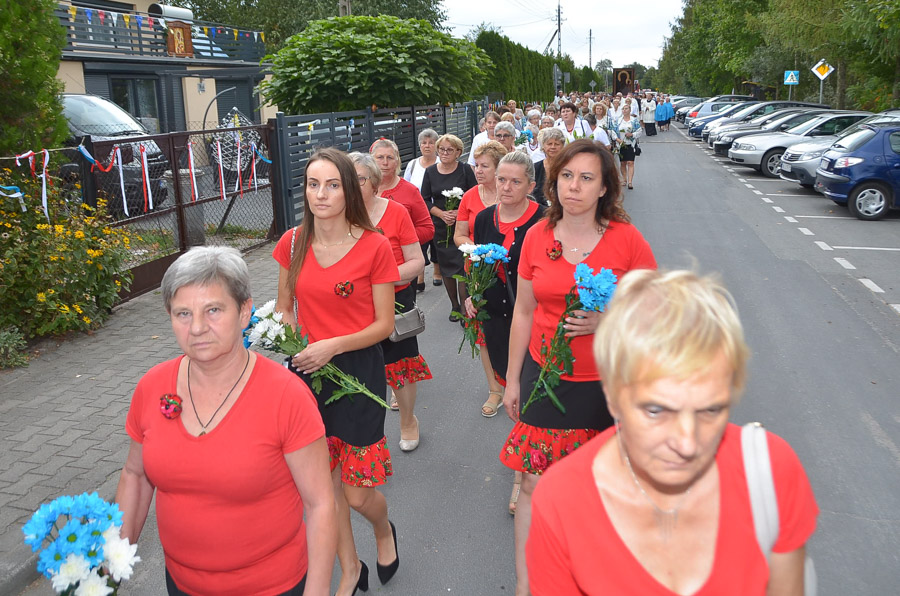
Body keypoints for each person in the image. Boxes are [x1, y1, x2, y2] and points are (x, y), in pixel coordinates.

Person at [527, 269, 819, 595]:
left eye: (710, 410)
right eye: (656, 410)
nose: (687, 444)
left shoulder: (770, 472)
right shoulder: (562, 502)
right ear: (612, 394)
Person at [116, 246, 336, 596]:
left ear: (245, 311)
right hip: (183, 586)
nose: (197, 327)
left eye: (213, 310)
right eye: (183, 313)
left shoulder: (286, 396)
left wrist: (318, 591)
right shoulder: (152, 387)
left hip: (271, 587)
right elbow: (136, 475)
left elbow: (320, 504)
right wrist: (111, 563)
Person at [499, 139, 657, 596]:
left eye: (587, 178)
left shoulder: (627, 240)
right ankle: (528, 584)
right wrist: (512, 380)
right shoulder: (537, 236)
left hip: (607, 385)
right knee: (533, 482)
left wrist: (608, 320)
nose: (574, 186)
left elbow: (655, 311)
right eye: (567, 176)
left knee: (600, 490)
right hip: (544, 378)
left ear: (604, 187)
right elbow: (524, 312)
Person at [273, 148, 401, 596]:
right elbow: (284, 307)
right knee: (325, 490)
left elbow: (384, 325)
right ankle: (349, 569)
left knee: (357, 493)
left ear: (348, 190)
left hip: (357, 373)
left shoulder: (374, 246)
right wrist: (291, 341)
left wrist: (333, 345)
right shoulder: (293, 243)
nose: (321, 194)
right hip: (307, 375)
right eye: (313, 184)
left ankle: (383, 529)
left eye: (331, 185)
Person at [465, 150, 546, 514]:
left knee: (527, 396)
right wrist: (472, 294)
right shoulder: (485, 218)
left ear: (531, 185)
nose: (506, 187)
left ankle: (521, 478)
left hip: (534, 321)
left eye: (516, 181)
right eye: (501, 179)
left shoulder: (544, 220)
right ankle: (529, 461)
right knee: (513, 392)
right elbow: (476, 261)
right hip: (496, 320)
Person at [352, 152, 429, 454]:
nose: (351, 184)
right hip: (354, 301)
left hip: (396, 298)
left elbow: (416, 261)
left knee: (400, 365)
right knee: (362, 363)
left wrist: (383, 278)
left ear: (374, 182)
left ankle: (408, 420)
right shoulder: (338, 215)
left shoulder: (395, 212)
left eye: (358, 179)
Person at [454, 140, 509, 417]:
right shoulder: (469, 197)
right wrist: (478, 250)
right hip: (478, 272)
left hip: (509, 272)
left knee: (513, 329)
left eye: (484, 166)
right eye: (476, 165)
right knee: (483, 331)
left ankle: (517, 382)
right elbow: (459, 234)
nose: (477, 170)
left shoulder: (510, 194)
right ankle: (495, 389)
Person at [421, 134, 478, 320]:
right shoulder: (430, 172)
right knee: (446, 268)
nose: (445, 153)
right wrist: (441, 214)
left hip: (462, 225)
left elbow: (474, 194)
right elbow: (424, 200)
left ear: (458, 152)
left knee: (462, 267)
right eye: (442, 149)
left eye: (449, 150)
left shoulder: (465, 170)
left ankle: (464, 307)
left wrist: (459, 212)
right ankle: (454, 305)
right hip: (441, 226)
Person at [372, 137, 435, 293]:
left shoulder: (409, 191)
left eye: (390, 157)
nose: (385, 162)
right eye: (380, 157)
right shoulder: (362, 190)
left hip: (402, 270)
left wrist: (402, 239)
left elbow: (428, 229)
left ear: (397, 161)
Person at [532, 127, 566, 205]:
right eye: (549, 144)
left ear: (562, 146)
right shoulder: (535, 168)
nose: (553, 147)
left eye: (557, 144)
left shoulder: (568, 168)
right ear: (543, 146)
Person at [619, 104, 643, 190]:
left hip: (631, 144)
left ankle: (630, 182)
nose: (624, 110)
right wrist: (617, 139)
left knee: (630, 162)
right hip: (621, 144)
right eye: (623, 109)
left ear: (629, 110)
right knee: (623, 163)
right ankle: (624, 179)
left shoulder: (634, 121)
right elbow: (614, 131)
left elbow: (639, 131)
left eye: (626, 109)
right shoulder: (619, 120)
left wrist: (632, 134)